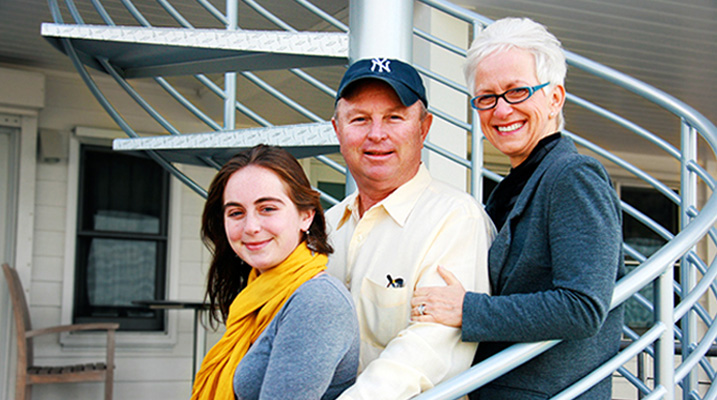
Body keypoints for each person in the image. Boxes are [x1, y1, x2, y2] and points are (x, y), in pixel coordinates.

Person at [411, 18, 624, 399]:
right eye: (486, 97)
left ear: (555, 97)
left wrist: (469, 310)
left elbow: (582, 307)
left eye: (517, 91)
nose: (501, 110)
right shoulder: (512, 187)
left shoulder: (574, 177)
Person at [327, 57, 495, 399]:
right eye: (360, 119)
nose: (377, 134)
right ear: (337, 129)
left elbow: (429, 350)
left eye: (395, 118)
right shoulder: (324, 226)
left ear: (424, 127)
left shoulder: (455, 219)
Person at [191, 145, 360, 400]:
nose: (251, 227)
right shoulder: (255, 295)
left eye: (267, 208)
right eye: (236, 212)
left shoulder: (317, 302)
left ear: (306, 216)